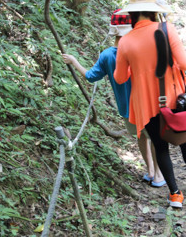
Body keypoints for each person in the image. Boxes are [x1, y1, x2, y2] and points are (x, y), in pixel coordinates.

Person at [114, 0, 186, 208]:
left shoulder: (125, 42)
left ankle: (175, 194)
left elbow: (120, 78)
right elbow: (185, 64)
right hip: (174, 99)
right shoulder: (168, 30)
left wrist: (136, 68)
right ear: (154, 11)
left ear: (132, 14)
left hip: (147, 104)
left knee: (160, 145)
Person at [61, 9, 165, 186]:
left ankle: (150, 171)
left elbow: (90, 76)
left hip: (126, 107)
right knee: (155, 138)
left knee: (141, 136)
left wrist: (74, 61)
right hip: (147, 104)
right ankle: (159, 176)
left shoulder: (107, 55)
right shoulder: (139, 49)